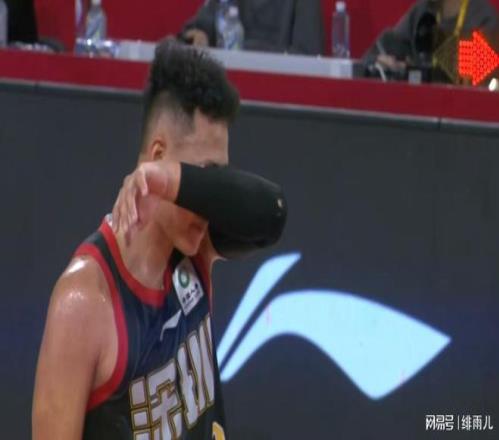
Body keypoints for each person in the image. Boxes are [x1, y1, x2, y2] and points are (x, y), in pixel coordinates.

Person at [32, 40, 287, 440]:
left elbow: (273, 213)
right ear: (157, 154)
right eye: (205, 175)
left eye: (216, 183)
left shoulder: (196, 247)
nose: (211, 201)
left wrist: (173, 180)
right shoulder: (83, 301)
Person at [363, 0, 499, 82]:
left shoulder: (484, 19)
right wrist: (380, 62)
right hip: (419, 110)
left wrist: (411, 70)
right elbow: (375, 54)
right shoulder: (422, 11)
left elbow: (472, 81)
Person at [180, 0, 324, 55]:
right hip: (223, 89)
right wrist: (200, 35)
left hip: (277, 91)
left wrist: (241, 48)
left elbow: (307, 55)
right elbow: (196, 29)